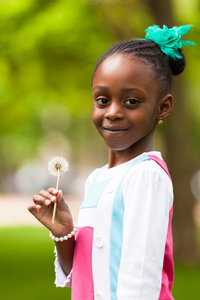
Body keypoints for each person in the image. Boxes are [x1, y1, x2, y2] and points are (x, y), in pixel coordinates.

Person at [28, 25, 196, 300]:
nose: (113, 113)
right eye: (103, 100)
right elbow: (86, 274)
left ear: (162, 107)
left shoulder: (146, 176)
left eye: (131, 101)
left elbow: (140, 280)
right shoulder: (97, 178)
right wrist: (65, 235)